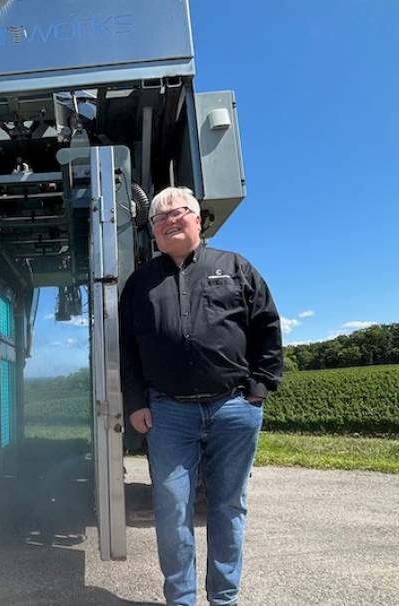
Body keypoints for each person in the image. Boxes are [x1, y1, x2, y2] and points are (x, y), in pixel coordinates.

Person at [119, 186, 282, 606]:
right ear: (152, 231)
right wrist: (136, 402)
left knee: (228, 507)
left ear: (198, 219)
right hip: (168, 414)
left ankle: (223, 599)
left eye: (180, 213)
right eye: (160, 218)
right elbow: (127, 348)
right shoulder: (140, 283)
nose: (171, 221)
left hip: (233, 407)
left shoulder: (235, 267)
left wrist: (259, 387)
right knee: (172, 509)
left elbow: (267, 327)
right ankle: (181, 599)